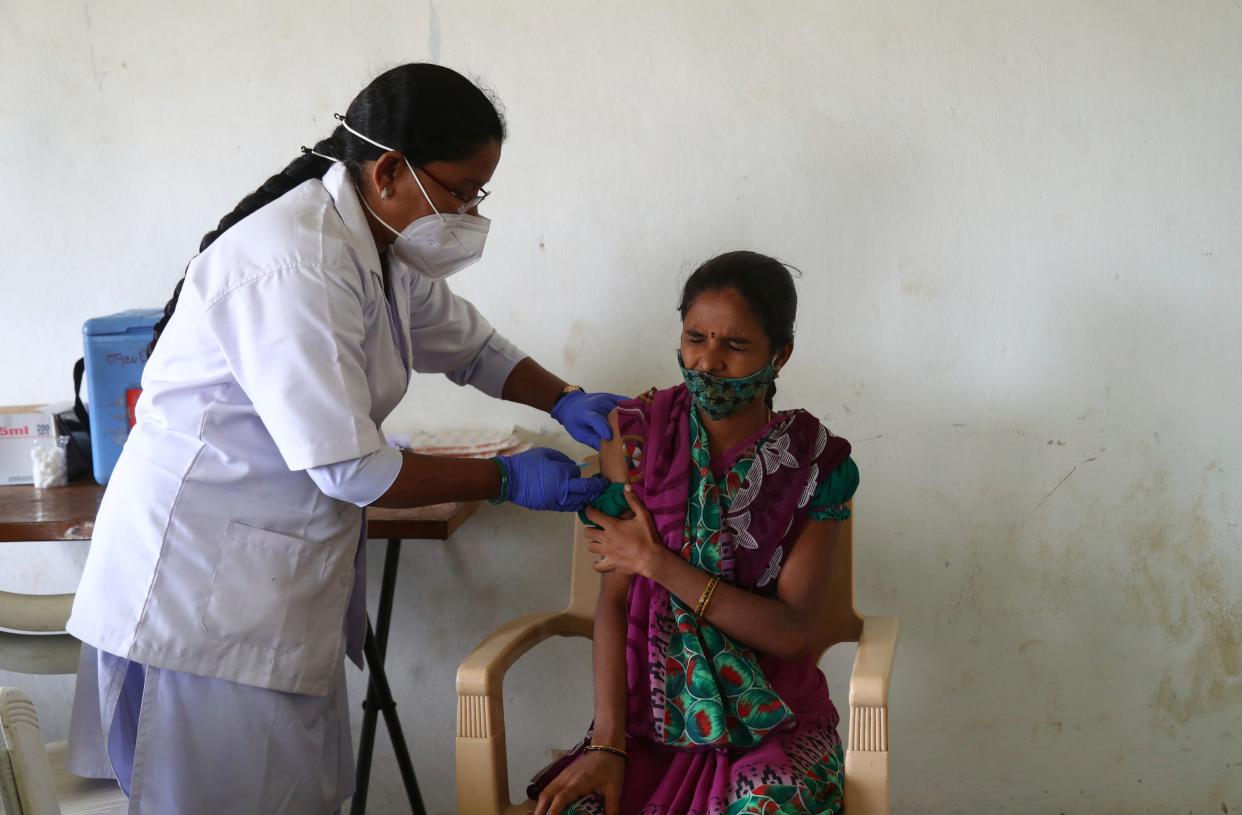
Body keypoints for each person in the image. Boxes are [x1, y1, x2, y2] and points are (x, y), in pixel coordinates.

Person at [64, 63, 619, 814]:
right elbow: (352, 468)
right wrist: (508, 477)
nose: (470, 211)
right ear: (389, 169)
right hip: (202, 594)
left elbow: (470, 347)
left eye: (478, 194)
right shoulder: (294, 262)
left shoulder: (379, 243)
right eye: (460, 191)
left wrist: (566, 397)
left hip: (270, 587)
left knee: (299, 793)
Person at [530, 251, 859, 815]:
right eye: (694, 338)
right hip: (646, 727)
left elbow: (790, 634)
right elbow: (614, 603)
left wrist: (657, 564)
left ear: (780, 355)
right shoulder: (635, 439)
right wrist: (608, 744)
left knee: (767, 806)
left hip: (773, 721)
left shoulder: (812, 464)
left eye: (735, 346)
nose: (707, 362)